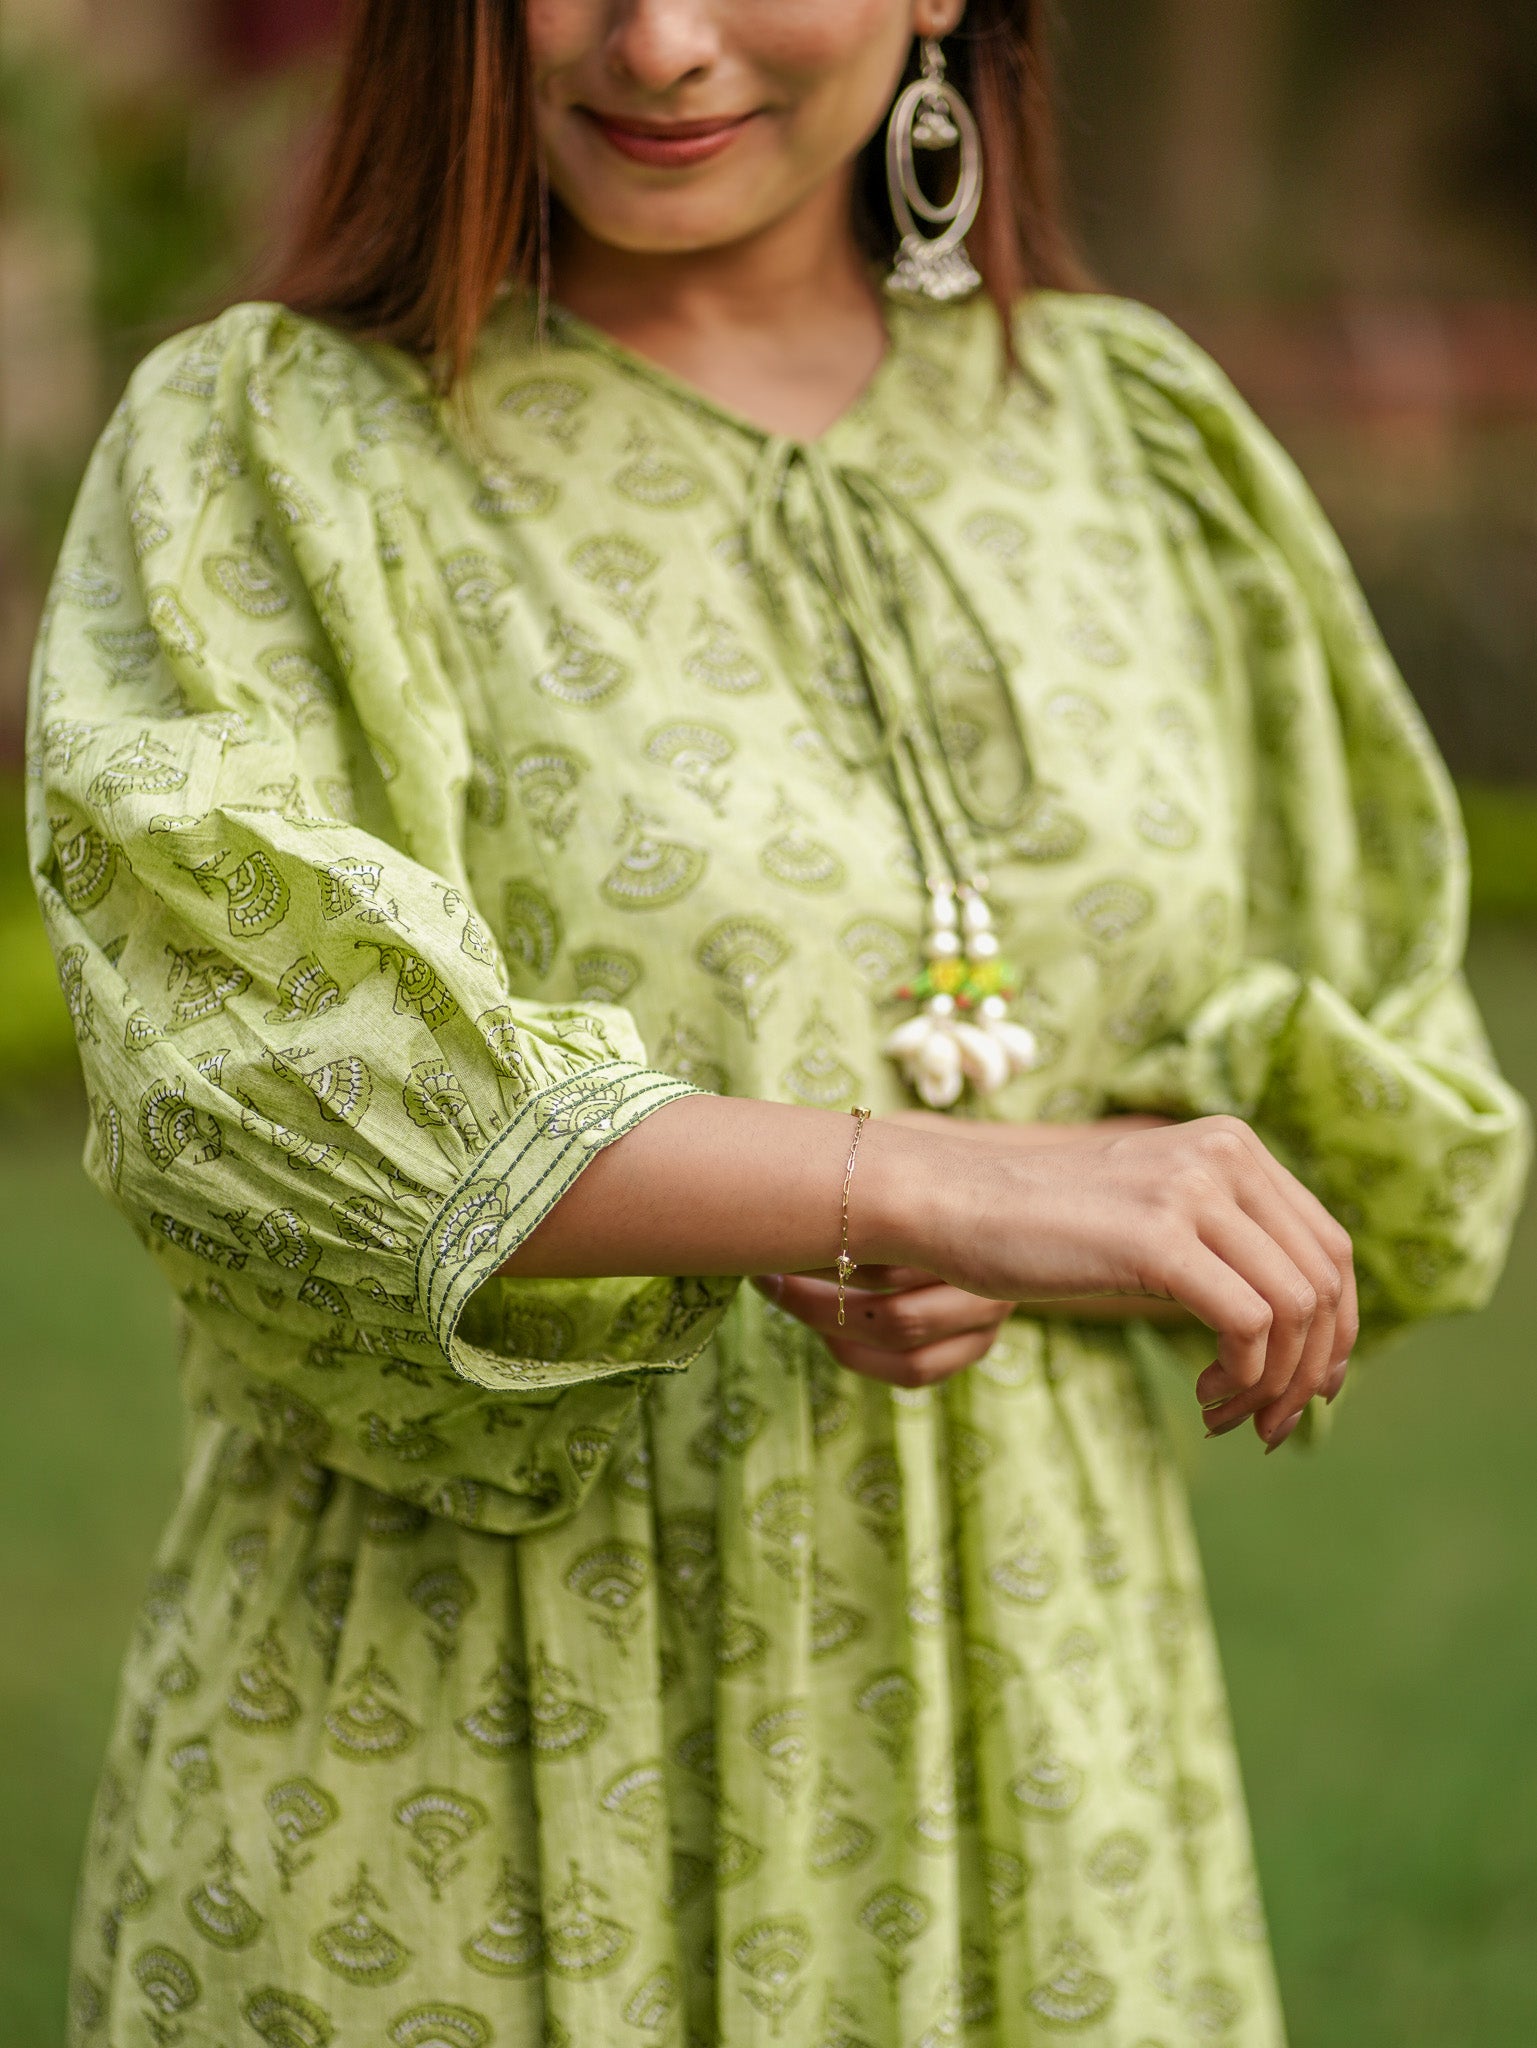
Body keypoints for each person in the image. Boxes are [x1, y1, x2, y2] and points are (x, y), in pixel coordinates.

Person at [28, 2, 1529, 2042]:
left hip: (1055, 1769)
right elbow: (254, 1070)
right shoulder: (279, 447)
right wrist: (912, 1181)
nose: (658, 44)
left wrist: (1090, 1203)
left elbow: (1378, 1066)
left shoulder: (1125, 434)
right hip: (470, 1776)